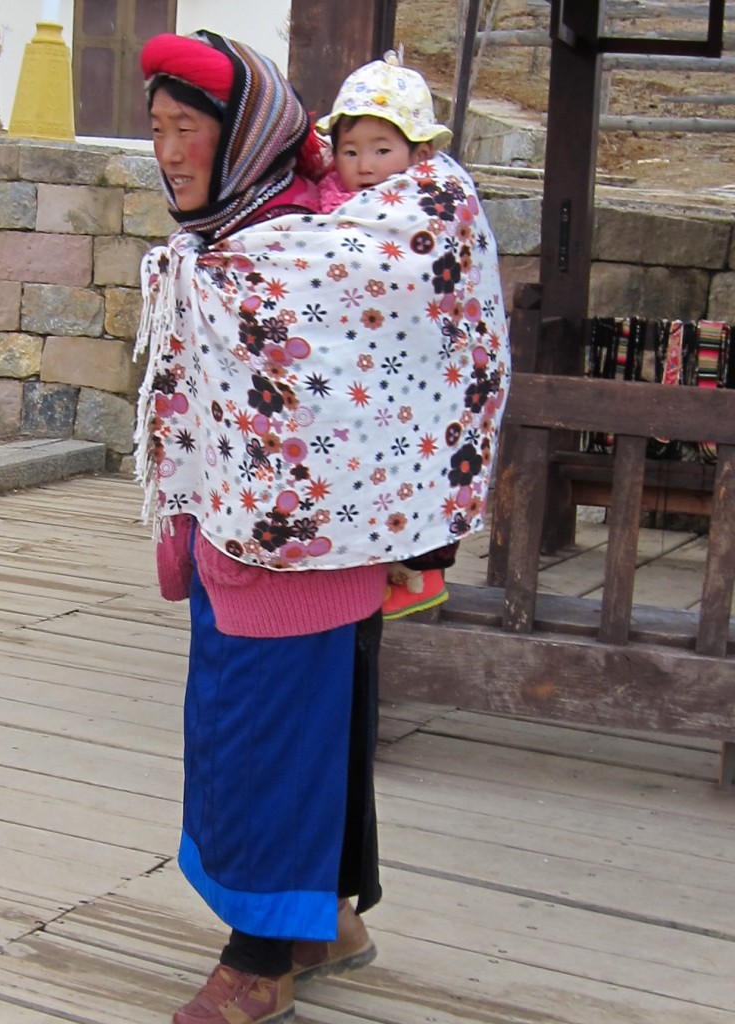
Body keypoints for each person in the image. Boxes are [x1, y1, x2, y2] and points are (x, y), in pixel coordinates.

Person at [135, 29, 510, 1024]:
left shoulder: (328, 235)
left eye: (188, 130)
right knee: (314, 730)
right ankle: (328, 918)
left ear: (248, 134)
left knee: (264, 739)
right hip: (274, 536)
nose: (169, 151)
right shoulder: (256, 224)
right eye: (158, 130)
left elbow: (424, 286)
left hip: (303, 544)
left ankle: (260, 959)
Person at [314, 53, 459, 620]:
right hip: (350, 370)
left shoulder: (432, 204)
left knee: (412, 463)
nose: (365, 165)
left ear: (418, 153)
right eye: (350, 151)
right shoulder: (325, 205)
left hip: (410, 368)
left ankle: (418, 573)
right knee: (362, 465)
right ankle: (366, 568)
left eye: (381, 150)